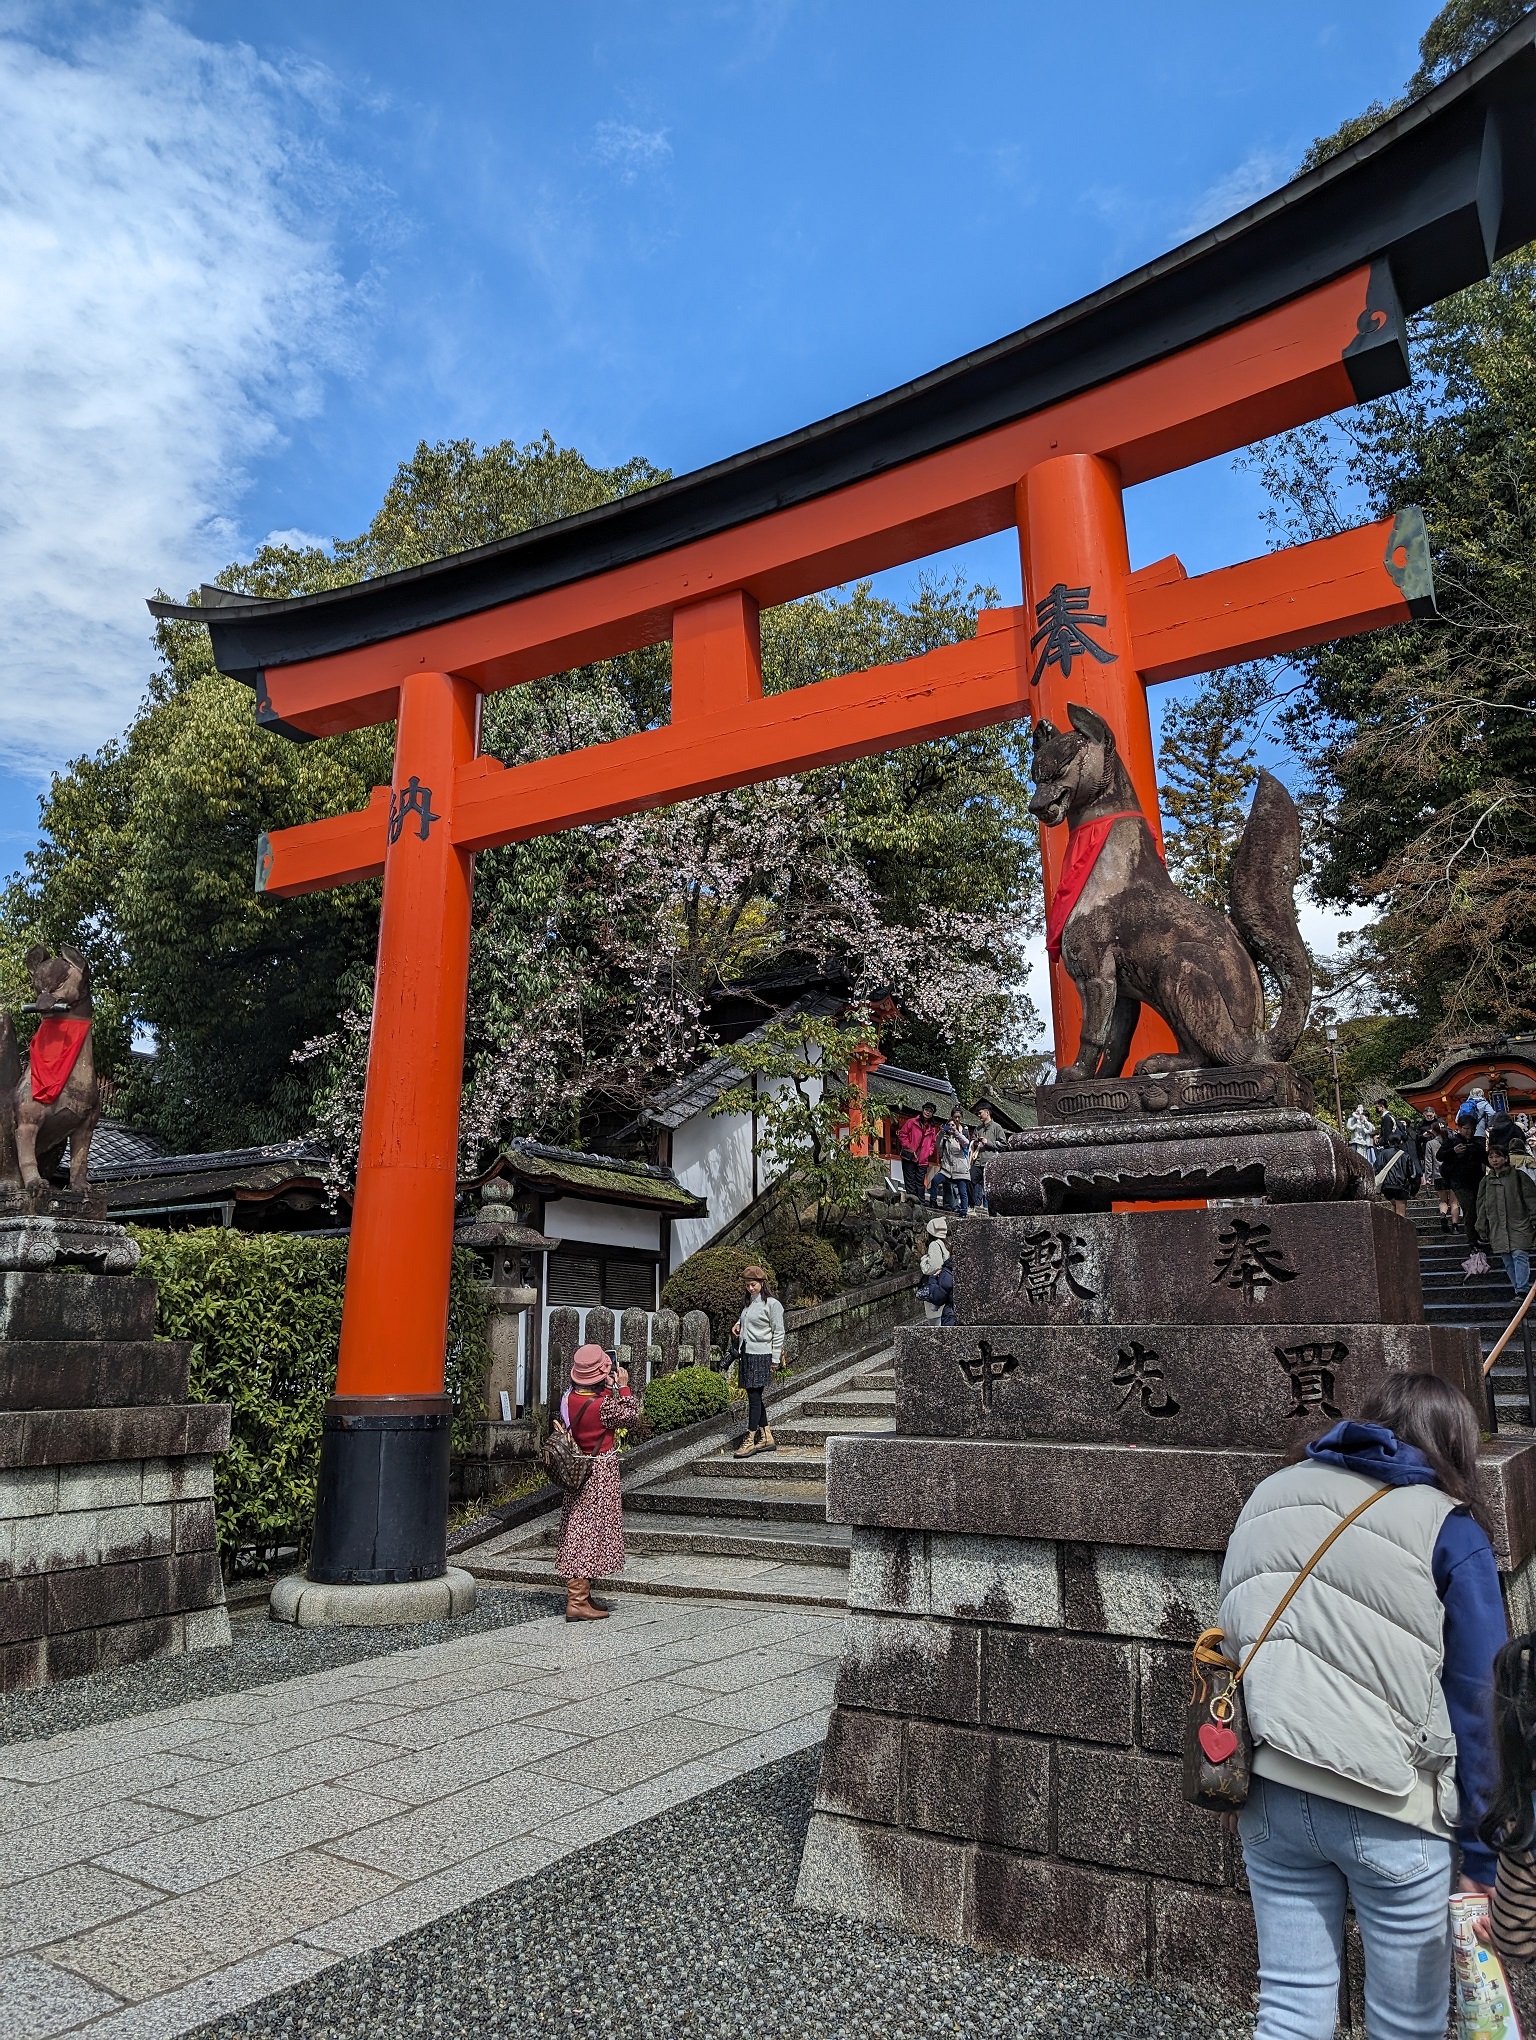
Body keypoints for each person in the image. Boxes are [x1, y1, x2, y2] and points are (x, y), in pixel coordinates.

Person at [1219, 1372, 1506, 2039]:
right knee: (1406, 2026)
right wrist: (1485, 1861)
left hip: (1270, 1787)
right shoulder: (1448, 1527)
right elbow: (1481, 1702)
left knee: (1290, 2010)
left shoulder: (1271, 1492)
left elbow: (1234, 1629)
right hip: (1393, 1806)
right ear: (1456, 1447)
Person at [554, 1343, 642, 1623]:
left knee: (578, 1526)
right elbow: (630, 1415)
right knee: (587, 1532)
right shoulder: (603, 1406)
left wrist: (608, 1386)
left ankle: (583, 1594)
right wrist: (624, 1387)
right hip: (599, 1471)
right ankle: (577, 1601)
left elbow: (592, 1399)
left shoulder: (570, 1398)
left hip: (578, 1467)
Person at [731, 1263, 786, 1459]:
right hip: (746, 1353)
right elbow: (746, 1319)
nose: (750, 1288)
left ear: (762, 1283)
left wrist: (775, 1358)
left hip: (762, 1356)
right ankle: (767, 1437)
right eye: (747, 1285)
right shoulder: (749, 1303)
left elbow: (779, 1332)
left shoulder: (772, 1304)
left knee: (754, 1398)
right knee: (754, 1397)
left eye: (753, 1284)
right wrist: (738, 1324)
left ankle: (750, 1438)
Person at [1476, 1142, 1536, 1299]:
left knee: (1519, 1254)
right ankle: (1518, 1290)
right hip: (1497, 1226)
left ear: (1505, 1158)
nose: (1494, 1160)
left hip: (1519, 1222)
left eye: (1497, 1156)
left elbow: (1531, 1198)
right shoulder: (1486, 1181)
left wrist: (1534, 1218)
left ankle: (1522, 1290)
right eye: (1491, 1157)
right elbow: (1481, 1205)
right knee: (1508, 1260)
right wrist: (1481, 1226)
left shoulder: (1518, 1176)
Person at [1440, 1124, 1488, 1253]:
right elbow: (1440, 1156)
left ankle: (1480, 1236)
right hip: (1459, 1183)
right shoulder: (1452, 1141)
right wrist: (1453, 1151)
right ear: (1460, 1128)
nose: (1469, 1131)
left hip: (1477, 1181)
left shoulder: (1477, 1143)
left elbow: (1486, 1158)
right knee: (1469, 1210)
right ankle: (1472, 1240)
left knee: (1480, 1208)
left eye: (1471, 1128)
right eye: (1466, 1128)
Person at [896, 1102, 940, 1203]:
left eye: (930, 1111)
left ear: (932, 1114)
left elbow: (933, 1142)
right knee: (910, 1180)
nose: (927, 1113)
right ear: (923, 1110)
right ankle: (912, 1201)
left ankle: (920, 1202)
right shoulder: (912, 1122)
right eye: (926, 1110)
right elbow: (902, 1134)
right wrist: (909, 1147)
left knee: (920, 1182)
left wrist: (929, 1152)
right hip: (910, 1156)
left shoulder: (932, 1128)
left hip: (923, 1158)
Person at [932, 1110, 972, 1216]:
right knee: (935, 1181)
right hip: (947, 1169)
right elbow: (937, 1144)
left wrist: (956, 1132)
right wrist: (941, 1132)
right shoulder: (944, 1138)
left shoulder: (959, 1136)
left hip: (960, 1169)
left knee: (962, 1191)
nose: (950, 1127)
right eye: (948, 1125)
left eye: (952, 1125)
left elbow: (966, 1142)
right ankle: (932, 1202)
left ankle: (964, 1210)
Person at [970, 1101, 1005, 1214]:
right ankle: (971, 1206)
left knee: (989, 1189)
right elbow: (973, 1142)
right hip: (977, 1161)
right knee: (969, 1181)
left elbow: (1003, 1144)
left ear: (987, 1112)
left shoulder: (997, 1128)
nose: (979, 1115)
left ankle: (992, 1214)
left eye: (980, 1113)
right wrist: (975, 1142)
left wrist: (988, 1142)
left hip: (990, 1163)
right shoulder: (978, 1128)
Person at [918, 1214, 951, 1325]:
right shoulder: (946, 1244)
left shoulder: (934, 1244)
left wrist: (924, 1259)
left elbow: (932, 1267)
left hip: (937, 1286)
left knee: (936, 1323)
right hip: (945, 1286)